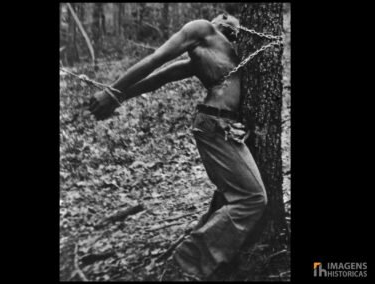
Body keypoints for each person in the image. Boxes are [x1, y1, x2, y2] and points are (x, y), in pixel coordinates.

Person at [89, 13, 268, 280]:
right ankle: (186, 266)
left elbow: (160, 77)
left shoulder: (229, 52)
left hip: (224, 127)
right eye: (225, 18)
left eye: (235, 25)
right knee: (252, 198)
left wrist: (119, 96)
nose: (231, 23)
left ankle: (212, 262)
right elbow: (157, 64)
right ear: (217, 20)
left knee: (233, 196)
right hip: (214, 126)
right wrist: (113, 93)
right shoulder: (202, 29)